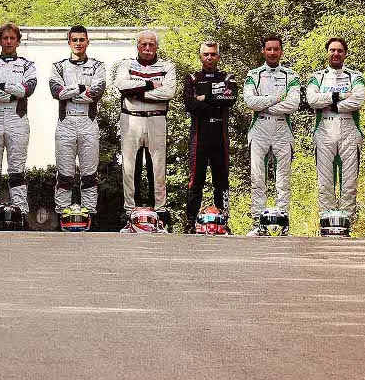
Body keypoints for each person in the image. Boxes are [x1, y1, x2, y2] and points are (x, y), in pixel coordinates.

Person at [0, 22, 38, 229]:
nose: (9, 41)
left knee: (17, 171)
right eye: (5, 38)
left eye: (13, 38)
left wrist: (1, 87)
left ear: (18, 41)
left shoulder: (27, 65)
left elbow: (28, 89)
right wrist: (14, 90)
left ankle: (21, 215)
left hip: (17, 119)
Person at [114, 30, 177, 219]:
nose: (147, 48)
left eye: (151, 44)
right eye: (144, 44)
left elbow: (168, 93)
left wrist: (138, 93)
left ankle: (160, 210)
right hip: (131, 118)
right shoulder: (126, 64)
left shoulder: (167, 66)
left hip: (157, 118)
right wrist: (150, 86)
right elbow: (122, 86)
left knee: (158, 165)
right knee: (129, 165)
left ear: (157, 46)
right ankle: (129, 210)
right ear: (137, 46)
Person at [243, 34, 301, 236]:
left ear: (281, 51)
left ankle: (283, 224)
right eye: (269, 49)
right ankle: (258, 224)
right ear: (263, 51)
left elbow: (292, 105)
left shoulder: (291, 76)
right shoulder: (253, 74)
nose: (273, 53)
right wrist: (277, 98)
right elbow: (250, 102)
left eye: (276, 49)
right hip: (259, 128)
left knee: (283, 180)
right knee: (257, 179)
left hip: (282, 129)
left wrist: (265, 104)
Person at [49, 25, 107, 224]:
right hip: (65, 124)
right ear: (69, 43)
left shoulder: (98, 66)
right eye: (74, 40)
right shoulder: (58, 66)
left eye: (82, 40)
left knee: (89, 174)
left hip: (88, 123)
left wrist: (71, 92)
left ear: (88, 41)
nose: (78, 43)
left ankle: (90, 217)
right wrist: (82, 88)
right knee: (64, 175)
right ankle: (61, 218)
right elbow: (57, 93)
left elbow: (96, 93)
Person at [306, 38, 365, 223]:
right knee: (325, 182)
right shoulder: (317, 77)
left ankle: (347, 223)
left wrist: (329, 104)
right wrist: (339, 96)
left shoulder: (355, 76)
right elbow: (312, 100)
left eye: (340, 50)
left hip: (349, 130)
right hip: (324, 129)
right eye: (332, 50)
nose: (336, 54)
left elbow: (358, 101)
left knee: (349, 182)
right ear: (327, 52)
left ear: (345, 53)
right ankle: (327, 221)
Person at [183, 40, 238, 233]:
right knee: (195, 181)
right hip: (199, 138)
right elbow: (190, 104)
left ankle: (223, 220)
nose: (209, 57)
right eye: (206, 54)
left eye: (213, 54)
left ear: (218, 56)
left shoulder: (227, 77)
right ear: (200, 56)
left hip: (220, 138)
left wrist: (205, 98)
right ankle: (190, 222)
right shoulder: (192, 78)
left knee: (221, 181)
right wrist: (216, 102)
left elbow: (230, 98)